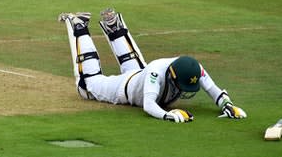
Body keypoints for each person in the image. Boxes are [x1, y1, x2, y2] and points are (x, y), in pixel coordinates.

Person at [58, 9, 246, 122]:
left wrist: (227, 105)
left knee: (137, 68)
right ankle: (79, 25)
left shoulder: (193, 68)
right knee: (87, 86)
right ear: (173, 76)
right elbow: (148, 105)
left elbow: (213, 89)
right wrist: (168, 115)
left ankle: (115, 27)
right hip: (124, 89)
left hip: (141, 74)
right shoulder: (156, 73)